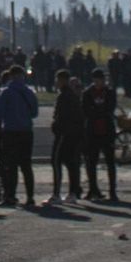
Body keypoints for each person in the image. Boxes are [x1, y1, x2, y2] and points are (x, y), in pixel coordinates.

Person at [0, 65, 39, 208]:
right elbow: (35, 113)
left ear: (11, 76)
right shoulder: (29, 92)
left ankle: (10, 196)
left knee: (10, 166)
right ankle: (30, 196)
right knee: (26, 165)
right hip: (26, 131)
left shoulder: (5, 92)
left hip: (10, 131)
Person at [81, 69, 118, 201]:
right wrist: (97, 111)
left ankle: (112, 190)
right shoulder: (87, 93)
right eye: (96, 80)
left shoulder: (109, 92)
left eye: (101, 80)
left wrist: (98, 111)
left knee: (110, 162)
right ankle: (93, 189)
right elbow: (86, 110)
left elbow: (110, 108)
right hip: (92, 131)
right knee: (91, 162)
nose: (99, 82)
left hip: (107, 130)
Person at [49, 70, 84, 204]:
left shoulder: (64, 96)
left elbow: (61, 116)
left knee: (56, 161)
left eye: (57, 80)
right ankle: (72, 192)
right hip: (73, 134)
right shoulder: (72, 96)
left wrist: (56, 127)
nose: (56, 83)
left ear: (62, 80)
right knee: (71, 163)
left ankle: (56, 193)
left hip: (63, 134)